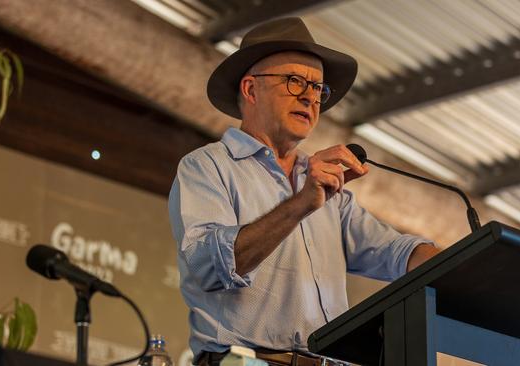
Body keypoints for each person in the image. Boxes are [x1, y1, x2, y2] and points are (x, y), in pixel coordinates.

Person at [168, 17, 440, 366]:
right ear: (251, 90)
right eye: (295, 82)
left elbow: (397, 254)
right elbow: (209, 266)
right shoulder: (208, 166)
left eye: (318, 89)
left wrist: (469, 265)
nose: (311, 98)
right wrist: (301, 204)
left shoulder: (327, 188)